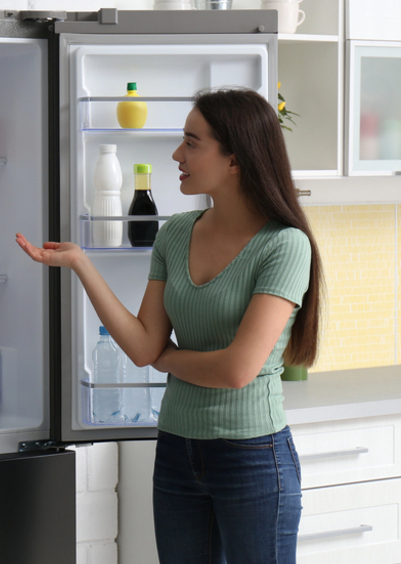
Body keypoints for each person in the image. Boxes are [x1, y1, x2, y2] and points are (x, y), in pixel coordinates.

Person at [17, 87, 321, 563]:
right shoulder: (176, 232)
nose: (177, 154)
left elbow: (237, 370)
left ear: (235, 159)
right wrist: (81, 265)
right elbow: (143, 347)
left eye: (192, 143)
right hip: (178, 450)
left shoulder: (283, 246)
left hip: (252, 454)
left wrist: (167, 358)